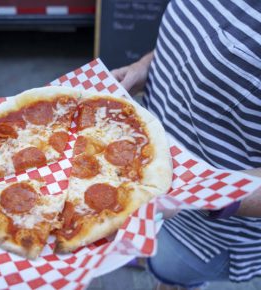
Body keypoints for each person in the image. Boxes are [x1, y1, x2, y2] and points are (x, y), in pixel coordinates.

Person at [112, 0, 261, 289]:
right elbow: (195, 35)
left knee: (167, 271)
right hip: (144, 176)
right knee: (148, 248)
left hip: (207, 231)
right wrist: (146, 66)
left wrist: (192, 191)